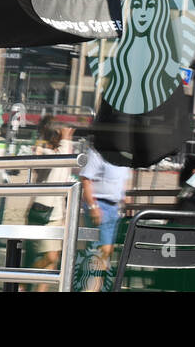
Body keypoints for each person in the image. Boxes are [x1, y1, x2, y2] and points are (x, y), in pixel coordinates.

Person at [26, 116, 75, 291]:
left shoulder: (58, 152)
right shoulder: (43, 152)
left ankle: (29, 284)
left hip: (56, 214)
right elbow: (62, 158)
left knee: (50, 267)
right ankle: (22, 280)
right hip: (43, 213)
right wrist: (66, 139)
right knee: (51, 257)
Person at [78, 140, 131, 291]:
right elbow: (85, 180)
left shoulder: (124, 155)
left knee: (104, 253)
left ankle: (93, 287)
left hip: (114, 208)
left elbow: (121, 182)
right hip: (100, 205)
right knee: (102, 252)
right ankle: (90, 288)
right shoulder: (97, 152)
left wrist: (124, 198)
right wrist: (93, 206)